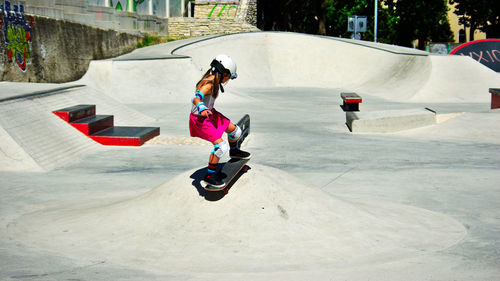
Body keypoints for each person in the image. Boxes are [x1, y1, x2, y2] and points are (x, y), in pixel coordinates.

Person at [189, 54, 251, 188]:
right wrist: (201, 107)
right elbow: (195, 97)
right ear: (224, 73)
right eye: (229, 76)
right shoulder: (209, 84)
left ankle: (234, 152)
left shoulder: (214, 81)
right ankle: (209, 175)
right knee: (221, 147)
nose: (228, 79)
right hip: (200, 120)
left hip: (211, 114)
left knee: (235, 132)